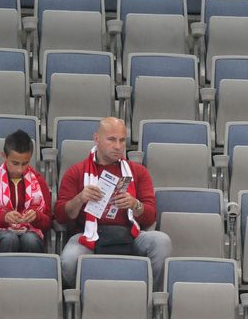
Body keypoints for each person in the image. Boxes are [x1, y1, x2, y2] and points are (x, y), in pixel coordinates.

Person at [55, 117, 172, 288]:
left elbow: (150, 216)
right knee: (69, 261)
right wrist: (79, 199)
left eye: (122, 140)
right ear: (97, 139)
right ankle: (79, 301)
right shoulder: (77, 172)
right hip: (89, 235)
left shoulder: (138, 172)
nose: (118, 146)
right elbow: (60, 216)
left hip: (130, 234)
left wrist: (134, 204)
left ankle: (148, 298)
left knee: (161, 241)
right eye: (111, 139)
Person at [0, 129, 52, 258]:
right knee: (9, 238)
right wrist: (3, 218)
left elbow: (47, 223)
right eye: (15, 163)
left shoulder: (39, 182)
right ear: (4, 156)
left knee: (30, 240)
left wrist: (37, 217)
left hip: (30, 233)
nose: (20, 169)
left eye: (25, 164)